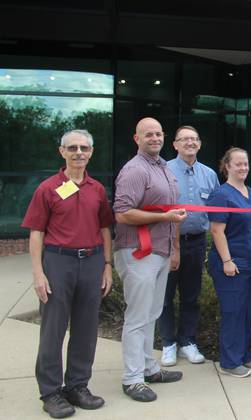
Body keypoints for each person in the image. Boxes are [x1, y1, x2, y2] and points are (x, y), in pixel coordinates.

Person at [22, 129, 113, 418]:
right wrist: (38, 273)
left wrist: (107, 266)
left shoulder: (97, 189)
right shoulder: (47, 188)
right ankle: (51, 392)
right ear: (62, 152)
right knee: (53, 329)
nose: (78, 152)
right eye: (72, 147)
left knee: (86, 330)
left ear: (91, 152)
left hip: (92, 262)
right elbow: (36, 233)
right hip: (58, 263)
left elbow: (104, 229)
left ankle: (77, 386)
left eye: (84, 147)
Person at [114, 117, 186, 402]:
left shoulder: (163, 167)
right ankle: (132, 379)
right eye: (148, 134)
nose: (154, 138)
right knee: (137, 316)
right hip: (137, 252)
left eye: (158, 133)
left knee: (152, 314)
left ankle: (148, 368)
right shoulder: (134, 170)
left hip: (160, 250)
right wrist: (165, 216)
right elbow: (122, 213)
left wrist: (174, 245)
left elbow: (172, 209)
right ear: (137, 138)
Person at [159, 125, 219, 367]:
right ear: (174, 144)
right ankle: (167, 344)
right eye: (184, 139)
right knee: (164, 297)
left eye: (194, 139)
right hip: (167, 243)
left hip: (196, 243)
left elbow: (216, 211)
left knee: (191, 296)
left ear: (200, 143)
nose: (190, 143)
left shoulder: (209, 174)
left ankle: (187, 341)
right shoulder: (164, 170)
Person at [207, 148, 251, 378]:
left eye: (246, 164)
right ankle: (230, 361)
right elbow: (216, 230)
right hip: (233, 265)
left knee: (249, 312)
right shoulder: (221, 195)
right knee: (233, 312)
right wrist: (227, 260)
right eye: (238, 164)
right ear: (227, 166)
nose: (243, 168)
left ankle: (244, 354)